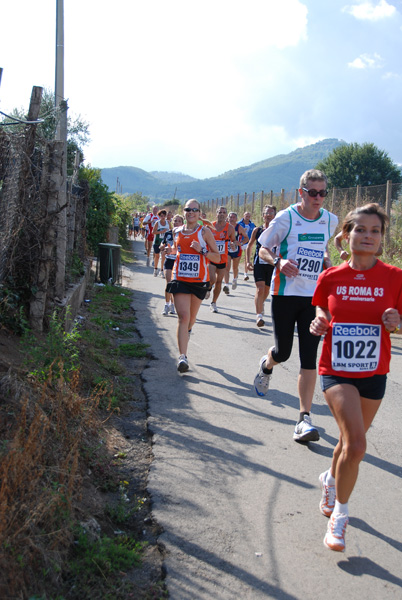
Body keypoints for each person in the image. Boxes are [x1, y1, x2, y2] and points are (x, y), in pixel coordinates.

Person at [310, 203, 402, 552]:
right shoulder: (331, 276)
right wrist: (318, 320)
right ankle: (340, 517)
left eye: (375, 231)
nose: (368, 236)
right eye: (360, 230)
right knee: (359, 445)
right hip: (336, 370)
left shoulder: (395, 277)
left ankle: (331, 480)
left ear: (381, 238)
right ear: (346, 235)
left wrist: (396, 323)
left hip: (374, 372)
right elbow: (320, 307)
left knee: (350, 440)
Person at [253, 169, 338, 442]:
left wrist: (326, 260)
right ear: (301, 192)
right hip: (285, 294)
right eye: (312, 192)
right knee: (284, 352)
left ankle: (304, 419)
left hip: (314, 298)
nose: (318, 197)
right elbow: (263, 248)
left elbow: (323, 247)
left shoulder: (329, 220)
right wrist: (279, 262)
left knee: (308, 357)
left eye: (322, 192)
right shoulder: (286, 218)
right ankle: (267, 364)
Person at [166, 199, 220, 372]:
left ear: (199, 213)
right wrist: (169, 251)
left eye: (194, 210)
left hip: (198, 281)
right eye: (188, 209)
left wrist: (202, 250)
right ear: (183, 212)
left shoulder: (204, 232)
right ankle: (182, 357)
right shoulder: (177, 231)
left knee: (191, 319)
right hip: (180, 278)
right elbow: (176, 250)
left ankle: (187, 331)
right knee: (183, 316)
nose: (191, 212)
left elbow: (217, 258)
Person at [245, 205, 276, 327]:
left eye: (271, 213)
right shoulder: (257, 230)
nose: (268, 215)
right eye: (266, 213)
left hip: (272, 264)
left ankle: (260, 304)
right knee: (260, 288)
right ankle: (259, 316)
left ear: (275, 215)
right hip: (259, 263)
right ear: (263, 215)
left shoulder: (279, 231)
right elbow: (249, 246)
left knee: (267, 290)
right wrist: (247, 262)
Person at [208, 206, 236, 312]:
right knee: (212, 279)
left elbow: (233, 240)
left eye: (224, 212)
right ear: (217, 214)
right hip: (211, 256)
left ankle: (213, 302)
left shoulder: (230, 228)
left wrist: (233, 245)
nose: (222, 214)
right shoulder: (211, 226)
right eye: (220, 212)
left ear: (226, 215)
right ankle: (209, 287)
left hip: (222, 258)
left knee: (219, 282)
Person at [160, 213, 184, 315]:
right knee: (169, 282)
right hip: (169, 260)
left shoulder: (184, 234)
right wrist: (162, 247)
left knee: (176, 284)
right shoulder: (168, 233)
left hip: (179, 261)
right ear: (172, 222)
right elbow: (163, 243)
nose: (176, 223)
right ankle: (166, 304)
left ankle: (173, 305)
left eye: (179, 221)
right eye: (175, 221)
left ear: (182, 223)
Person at [223, 212, 249, 294]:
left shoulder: (239, 227)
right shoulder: (225, 226)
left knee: (235, 267)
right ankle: (226, 285)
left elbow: (246, 238)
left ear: (236, 219)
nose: (232, 218)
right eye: (230, 217)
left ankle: (234, 279)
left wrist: (240, 243)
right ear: (227, 218)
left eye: (234, 217)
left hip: (237, 250)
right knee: (227, 267)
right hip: (227, 249)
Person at [238, 211, 256, 280]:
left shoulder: (252, 225)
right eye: (246, 216)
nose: (247, 217)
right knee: (237, 259)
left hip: (248, 244)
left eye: (248, 216)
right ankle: (236, 272)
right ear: (243, 216)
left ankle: (245, 274)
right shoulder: (239, 224)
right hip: (240, 243)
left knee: (247, 258)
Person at [152, 209, 171, 277]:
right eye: (161, 216)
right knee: (157, 256)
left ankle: (162, 270)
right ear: (159, 216)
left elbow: (171, 231)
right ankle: (155, 269)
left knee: (163, 256)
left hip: (165, 242)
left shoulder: (168, 223)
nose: (163, 217)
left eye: (164, 216)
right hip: (157, 241)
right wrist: (162, 231)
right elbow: (153, 232)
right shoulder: (157, 223)